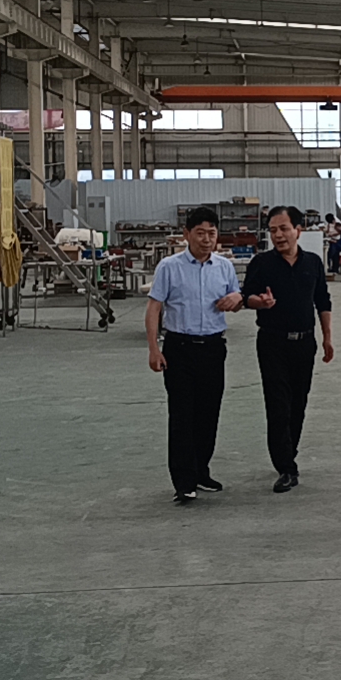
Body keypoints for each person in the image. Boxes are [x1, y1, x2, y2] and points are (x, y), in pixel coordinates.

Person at [146, 206, 244, 506]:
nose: (206, 239)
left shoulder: (224, 267)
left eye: (211, 233)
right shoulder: (169, 267)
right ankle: (183, 481)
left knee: (208, 414)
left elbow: (237, 299)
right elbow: (154, 309)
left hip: (213, 348)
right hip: (179, 349)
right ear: (186, 234)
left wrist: (238, 298)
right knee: (182, 416)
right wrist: (154, 349)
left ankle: (201, 471)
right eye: (200, 233)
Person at [243, 206, 335, 492]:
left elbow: (322, 300)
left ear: (298, 230)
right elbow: (246, 297)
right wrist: (260, 302)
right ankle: (286, 467)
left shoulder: (313, 263)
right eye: (273, 230)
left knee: (298, 404)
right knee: (278, 405)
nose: (278, 235)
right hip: (273, 343)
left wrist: (327, 337)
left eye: (283, 229)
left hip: (304, 343)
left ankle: (288, 453)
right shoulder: (262, 263)